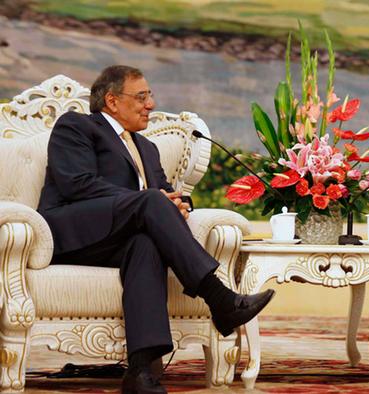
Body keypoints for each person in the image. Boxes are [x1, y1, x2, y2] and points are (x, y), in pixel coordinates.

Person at [37, 65, 275, 394]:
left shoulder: (147, 148)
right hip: (70, 232)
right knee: (149, 203)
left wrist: (177, 205)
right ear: (112, 100)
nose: (150, 103)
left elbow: (164, 192)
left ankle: (140, 372)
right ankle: (219, 298)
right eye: (142, 96)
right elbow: (76, 183)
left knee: (146, 244)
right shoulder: (76, 126)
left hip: (117, 240)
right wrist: (150, 200)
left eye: (150, 96)